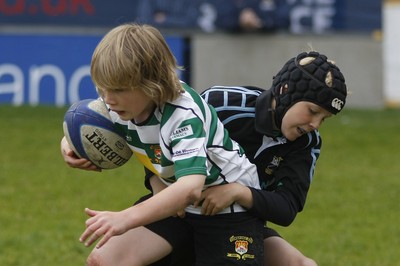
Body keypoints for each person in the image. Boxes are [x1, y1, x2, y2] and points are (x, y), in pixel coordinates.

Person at [62, 50, 347, 265]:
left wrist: (237, 193)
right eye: (312, 111)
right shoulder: (221, 103)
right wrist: (74, 141)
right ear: (286, 92)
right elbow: (153, 132)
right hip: (179, 207)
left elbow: (286, 209)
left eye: (325, 118)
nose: (315, 124)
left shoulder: (306, 145)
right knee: (103, 260)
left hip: (234, 219)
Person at [61, 23, 264, 265]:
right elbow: (89, 122)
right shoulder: (116, 101)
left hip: (227, 210)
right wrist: (70, 146)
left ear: (151, 82)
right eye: (102, 88)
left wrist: (126, 218)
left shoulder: (183, 114)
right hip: (176, 204)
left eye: (117, 89)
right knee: (104, 261)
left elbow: (190, 187)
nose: (107, 99)